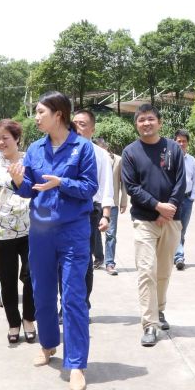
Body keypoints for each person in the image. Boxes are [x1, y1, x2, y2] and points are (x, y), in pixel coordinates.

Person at [10, 91, 97, 390]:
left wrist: (63, 183)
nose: (35, 118)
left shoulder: (82, 148)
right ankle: (48, 345)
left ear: (58, 114)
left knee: (73, 297)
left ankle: (76, 363)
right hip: (41, 232)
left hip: (73, 231)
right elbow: (29, 190)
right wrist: (18, 181)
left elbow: (89, 187)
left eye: (40, 112)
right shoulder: (35, 149)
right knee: (42, 292)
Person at [121, 104, 185, 347]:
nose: (146, 123)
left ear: (159, 122)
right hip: (144, 220)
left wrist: (168, 209)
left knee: (163, 271)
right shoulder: (130, 152)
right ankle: (149, 324)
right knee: (146, 271)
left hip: (171, 219)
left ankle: (159, 310)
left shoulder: (173, 149)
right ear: (136, 124)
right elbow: (132, 187)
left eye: (150, 119)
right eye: (141, 120)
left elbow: (180, 182)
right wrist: (157, 206)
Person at [0, 119, 36, 344]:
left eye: (5, 138)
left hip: (31, 230)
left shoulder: (31, 161)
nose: (0, 142)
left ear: (17, 138)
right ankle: (13, 322)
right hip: (2, 232)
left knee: (31, 276)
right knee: (7, 279)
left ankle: (29, 318)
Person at [72, 110, 114, 308]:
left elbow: (107, 187)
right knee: (64, 260)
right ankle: (66, 304)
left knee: (84, 259)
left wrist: (106, 216)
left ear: (92, 129)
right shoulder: (62, 149)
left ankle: (83, 304)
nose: (77, 127)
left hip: (90, 211)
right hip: (65, 210)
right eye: (74, 123)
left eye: (82, 124)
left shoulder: (101, 154)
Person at [94, 137, 127, 276]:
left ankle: (110, 263)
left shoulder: (118, 160)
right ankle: (99, 257)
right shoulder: (91, 158)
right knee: (94, 233)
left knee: (111, 234)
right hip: (95, 202)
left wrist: (124, 200)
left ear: (106, 148)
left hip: (112, 202)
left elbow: (123, 182)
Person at [173, 129, 195, 271]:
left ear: (188, 143)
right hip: (173, 200)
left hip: (187, 199)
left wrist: (193, 197)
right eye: (179, 141)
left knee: (182, 229)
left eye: (184, 141)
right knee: (175, 228)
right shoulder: (169, 159)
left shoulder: (192, 161)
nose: (181, 144)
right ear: (174, 142)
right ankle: (179, 256)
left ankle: (177, 254)